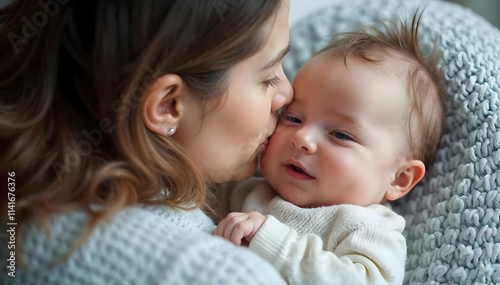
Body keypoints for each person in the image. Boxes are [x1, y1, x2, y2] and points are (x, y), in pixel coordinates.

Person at [0, 0, 293, 284]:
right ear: (168, 106)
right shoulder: (224, 275)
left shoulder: (18, 195)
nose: (288, 94)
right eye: (268, 78)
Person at [214, 11, 445, 285]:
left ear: (399, 178)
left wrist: (273, 242)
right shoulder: (247, 191)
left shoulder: (368, 227)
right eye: (293, 118)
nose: (302, 138)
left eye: (340, 134)